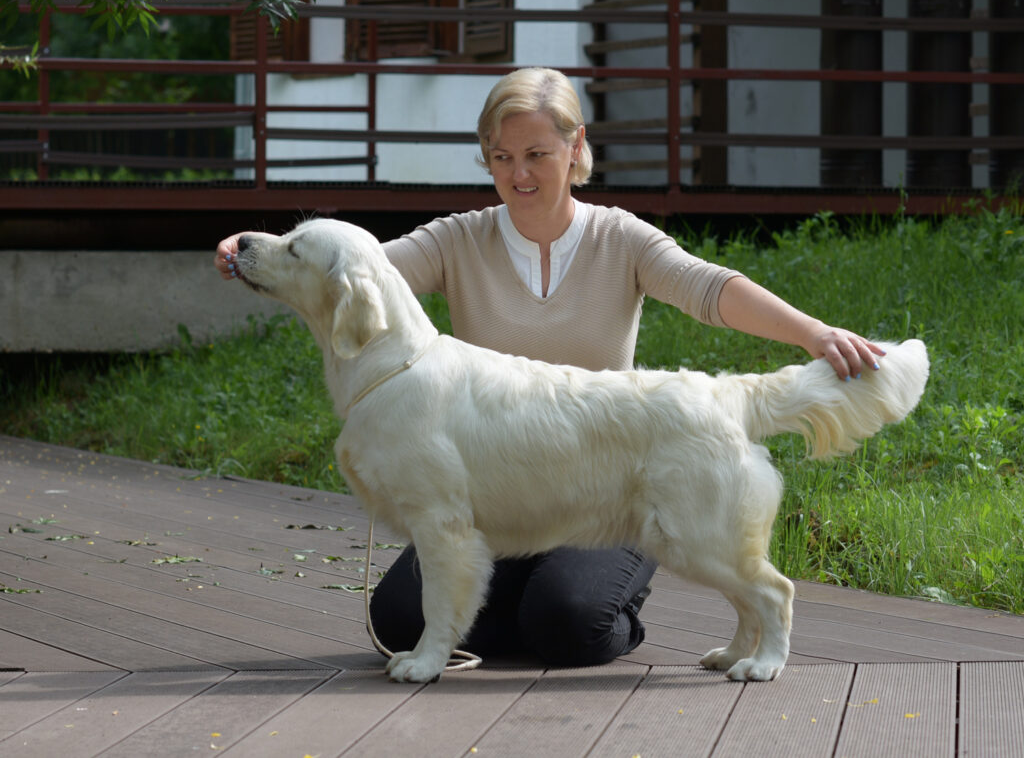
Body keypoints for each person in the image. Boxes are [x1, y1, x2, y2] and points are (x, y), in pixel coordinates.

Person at [215, 67, 884, 668]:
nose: (520, 174)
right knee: (397, 622)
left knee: (568, 620)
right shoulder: (459, 238)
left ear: (575, 147)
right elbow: (355, 270)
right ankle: (505, 612)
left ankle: (568, 614)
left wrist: (814, 333)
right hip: (504, 498)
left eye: (537, 154)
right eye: (502, 157)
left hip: (610, 479)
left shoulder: (619, 237)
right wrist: (257, 256)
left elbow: (708, 287)